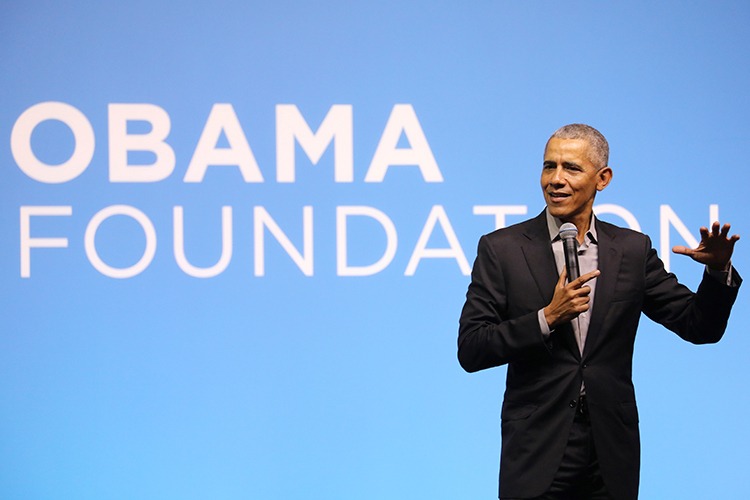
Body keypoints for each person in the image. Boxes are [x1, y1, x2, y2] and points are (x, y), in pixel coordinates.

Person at [457, 124, 741, 500]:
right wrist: (547, 318)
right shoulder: (503, 249)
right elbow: (472, 347)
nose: (555, 179)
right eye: (549, 166)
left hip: (610, 452)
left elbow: (699, 326)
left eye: (571, 168)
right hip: (536, 449)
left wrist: (718, 271)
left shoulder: (632, 250)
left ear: (602, 178)